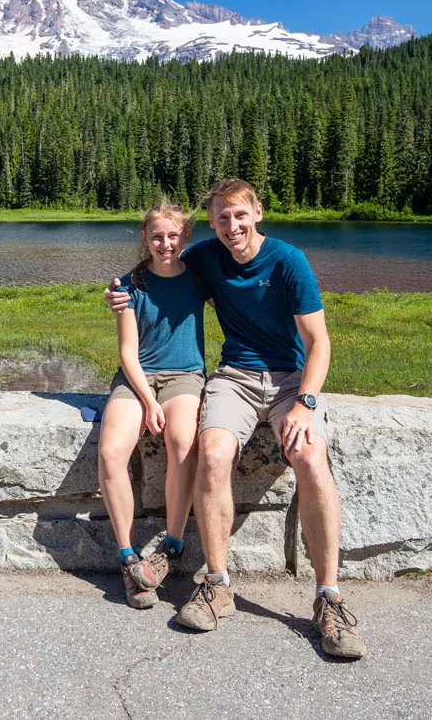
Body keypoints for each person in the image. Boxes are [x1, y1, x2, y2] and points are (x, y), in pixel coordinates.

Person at [105, 178, 366, 659]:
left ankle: (329, 596)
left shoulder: (289, 261)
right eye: (222, 218)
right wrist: (119, 292)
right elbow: (160, 264)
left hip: (291, 380)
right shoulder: (207, 256)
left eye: (239, 216)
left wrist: (307, 401)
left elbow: (319, 343)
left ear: (258, 214)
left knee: (310, 459)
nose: (232, 226)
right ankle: (218, 584)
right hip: (234, 377)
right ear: (212, 223)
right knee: (214, 451)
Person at [98, 200, 206, 610]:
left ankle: (171, 546)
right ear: (145, 239)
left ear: (185, 238)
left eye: (173, 236)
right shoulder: (129, 285)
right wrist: (147, 399)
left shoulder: (199, 277)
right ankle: (128, 558)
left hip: (185, 377)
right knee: (111, 453)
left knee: (182, 442)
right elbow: (128, 352)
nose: (165, 243)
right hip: (137, 377)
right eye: (157, 236)